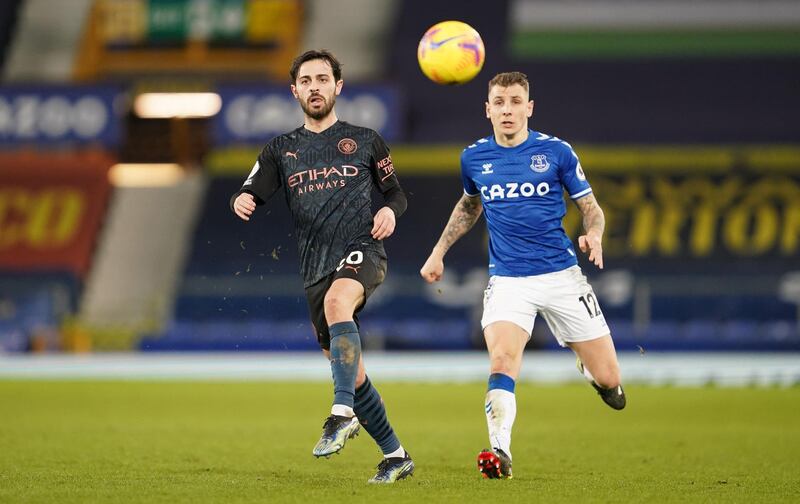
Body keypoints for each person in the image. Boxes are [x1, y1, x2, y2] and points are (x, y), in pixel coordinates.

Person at [420, 71, 626, 480]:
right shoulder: (474, 158)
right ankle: (501, 450)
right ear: (488, 109)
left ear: (529, 107)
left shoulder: (556, 152)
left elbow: (591, 207)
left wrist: (595, 234)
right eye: (499, 102)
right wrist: (438, 252)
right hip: (508, 280)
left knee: (610, 378)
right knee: (502, 357)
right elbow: (468, 207)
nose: (508, 110)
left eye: (516, 102)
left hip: (562, 277)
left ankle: (591, 372)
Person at [231, 49, 413, 484]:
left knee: (338, 303)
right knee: (352, 369)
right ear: (295, 91)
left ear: (338, 87)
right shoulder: (281, 149)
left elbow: (397, 195)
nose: (315, 86)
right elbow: (252, 187)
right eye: (306, 81)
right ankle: (395, 455)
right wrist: (244, 198)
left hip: (363, 250)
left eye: (322, 79)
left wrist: (390, 211)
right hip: (315, 266)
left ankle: (340, 412)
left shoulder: (366, 139)